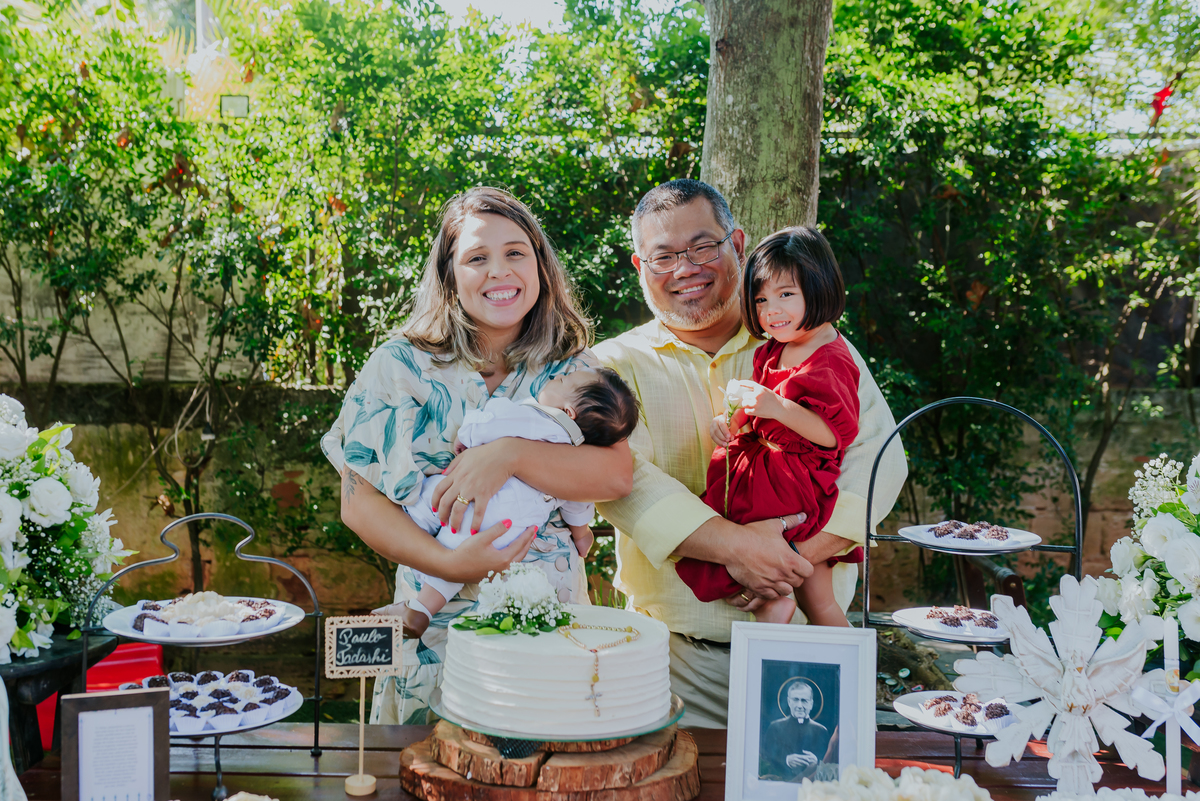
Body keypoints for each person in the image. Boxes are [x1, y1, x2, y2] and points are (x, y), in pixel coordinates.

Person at [594, 179, 908, 728]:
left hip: (808, 654)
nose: (685, 267)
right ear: (638, 265)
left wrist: (793, 558)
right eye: (663, 255)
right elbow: (628, 486)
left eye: (703, 246)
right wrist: (738, 548)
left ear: (737, 244)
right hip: (673, 664)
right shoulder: (612, 366)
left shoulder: (813, 342)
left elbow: (878, 459)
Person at [323, 187, 634, 724]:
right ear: (449, 274)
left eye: (516, 252)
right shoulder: (398, 366)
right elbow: (359, 505)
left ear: (540, 264)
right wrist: (449, 564)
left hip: (549, 630)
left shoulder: (573, 369)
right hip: (435, 631)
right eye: (476, 258)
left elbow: (615, 474)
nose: (500, 271)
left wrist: (510, 455)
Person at [676, 227, 860, 627]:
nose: (771, 310)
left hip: (799, 479)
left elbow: (834, 434)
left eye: (786, 295)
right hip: (768, 471)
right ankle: (772, 608)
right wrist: (731, 421)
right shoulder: (775, 348)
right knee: (793, 581)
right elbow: (754, 401)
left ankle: (853, 677)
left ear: (820, 287)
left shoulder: (831, 358)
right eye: (761, 300)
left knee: (821, 600)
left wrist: (779, 407)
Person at [390, 367, 640, 638]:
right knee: (459, 555)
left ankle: (413, 539)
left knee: (427, 503)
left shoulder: (536, 417)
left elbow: (488, 423)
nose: (557, 377)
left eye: (564, 380)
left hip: (475, 496)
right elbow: (577, 502)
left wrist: (466, 436)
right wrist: (581, 534)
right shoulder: (575, 454)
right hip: (511, 526)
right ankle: (421, 610)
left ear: (568, 412)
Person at [760, 682, 831, 783]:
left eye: (804, 701)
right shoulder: (775, 727)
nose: (799, 705)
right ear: (789, 702)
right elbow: (765, 759)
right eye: (795, 700)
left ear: (811, 703)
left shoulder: (821, 731)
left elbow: (830, 763)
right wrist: (786, 760)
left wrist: (817, 762)